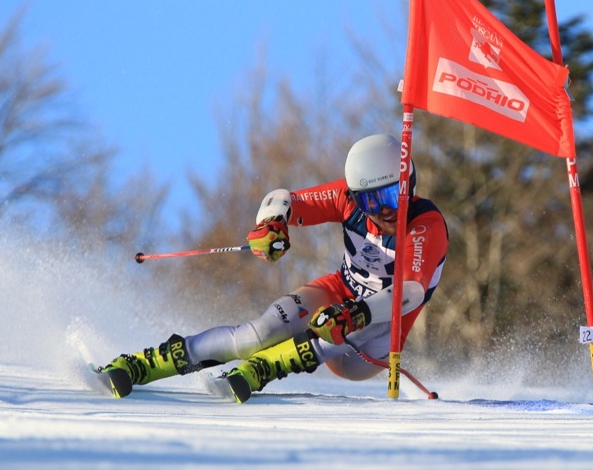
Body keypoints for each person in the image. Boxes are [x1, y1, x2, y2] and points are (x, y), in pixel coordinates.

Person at [98, 134, 449, 403]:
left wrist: (355, 314)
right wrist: (271, 224)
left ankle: (261, 370)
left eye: (392, 197)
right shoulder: (346, 199)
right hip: (339, 293)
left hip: (377, 337)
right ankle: (142, 364)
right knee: (257, 334)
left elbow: (410, 293)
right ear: (356, 197)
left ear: (410, 186)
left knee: (338, 332)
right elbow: (283, 198)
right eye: (372, 201)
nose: (385, 211)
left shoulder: (425, 225)